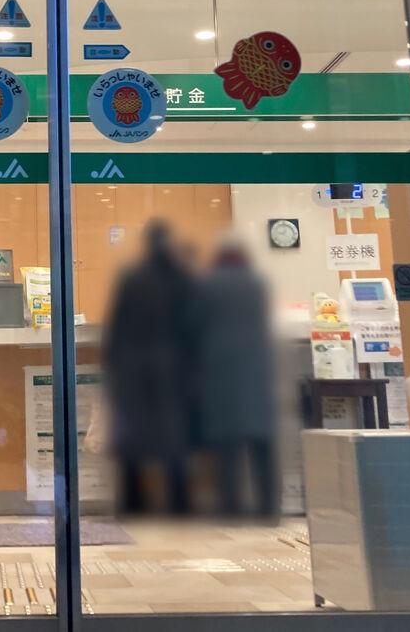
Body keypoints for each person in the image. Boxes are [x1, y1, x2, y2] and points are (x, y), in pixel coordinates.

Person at [102, 219, 194, 516]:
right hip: (172, 367)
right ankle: (180, 503)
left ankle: (133, 503)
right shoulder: (181, 278)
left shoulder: (132, 277)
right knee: (175, 436)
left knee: (132, 436)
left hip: (134, 367)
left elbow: (118, 324)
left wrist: (112, 363)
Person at [190, 237, 278, 520]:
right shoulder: (257, 283)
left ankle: (231, 507)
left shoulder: (208, 284)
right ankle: (268, 508)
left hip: (221, 372)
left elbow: (193, 323)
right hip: (257, 371)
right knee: (262, 444)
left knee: (227, 444)